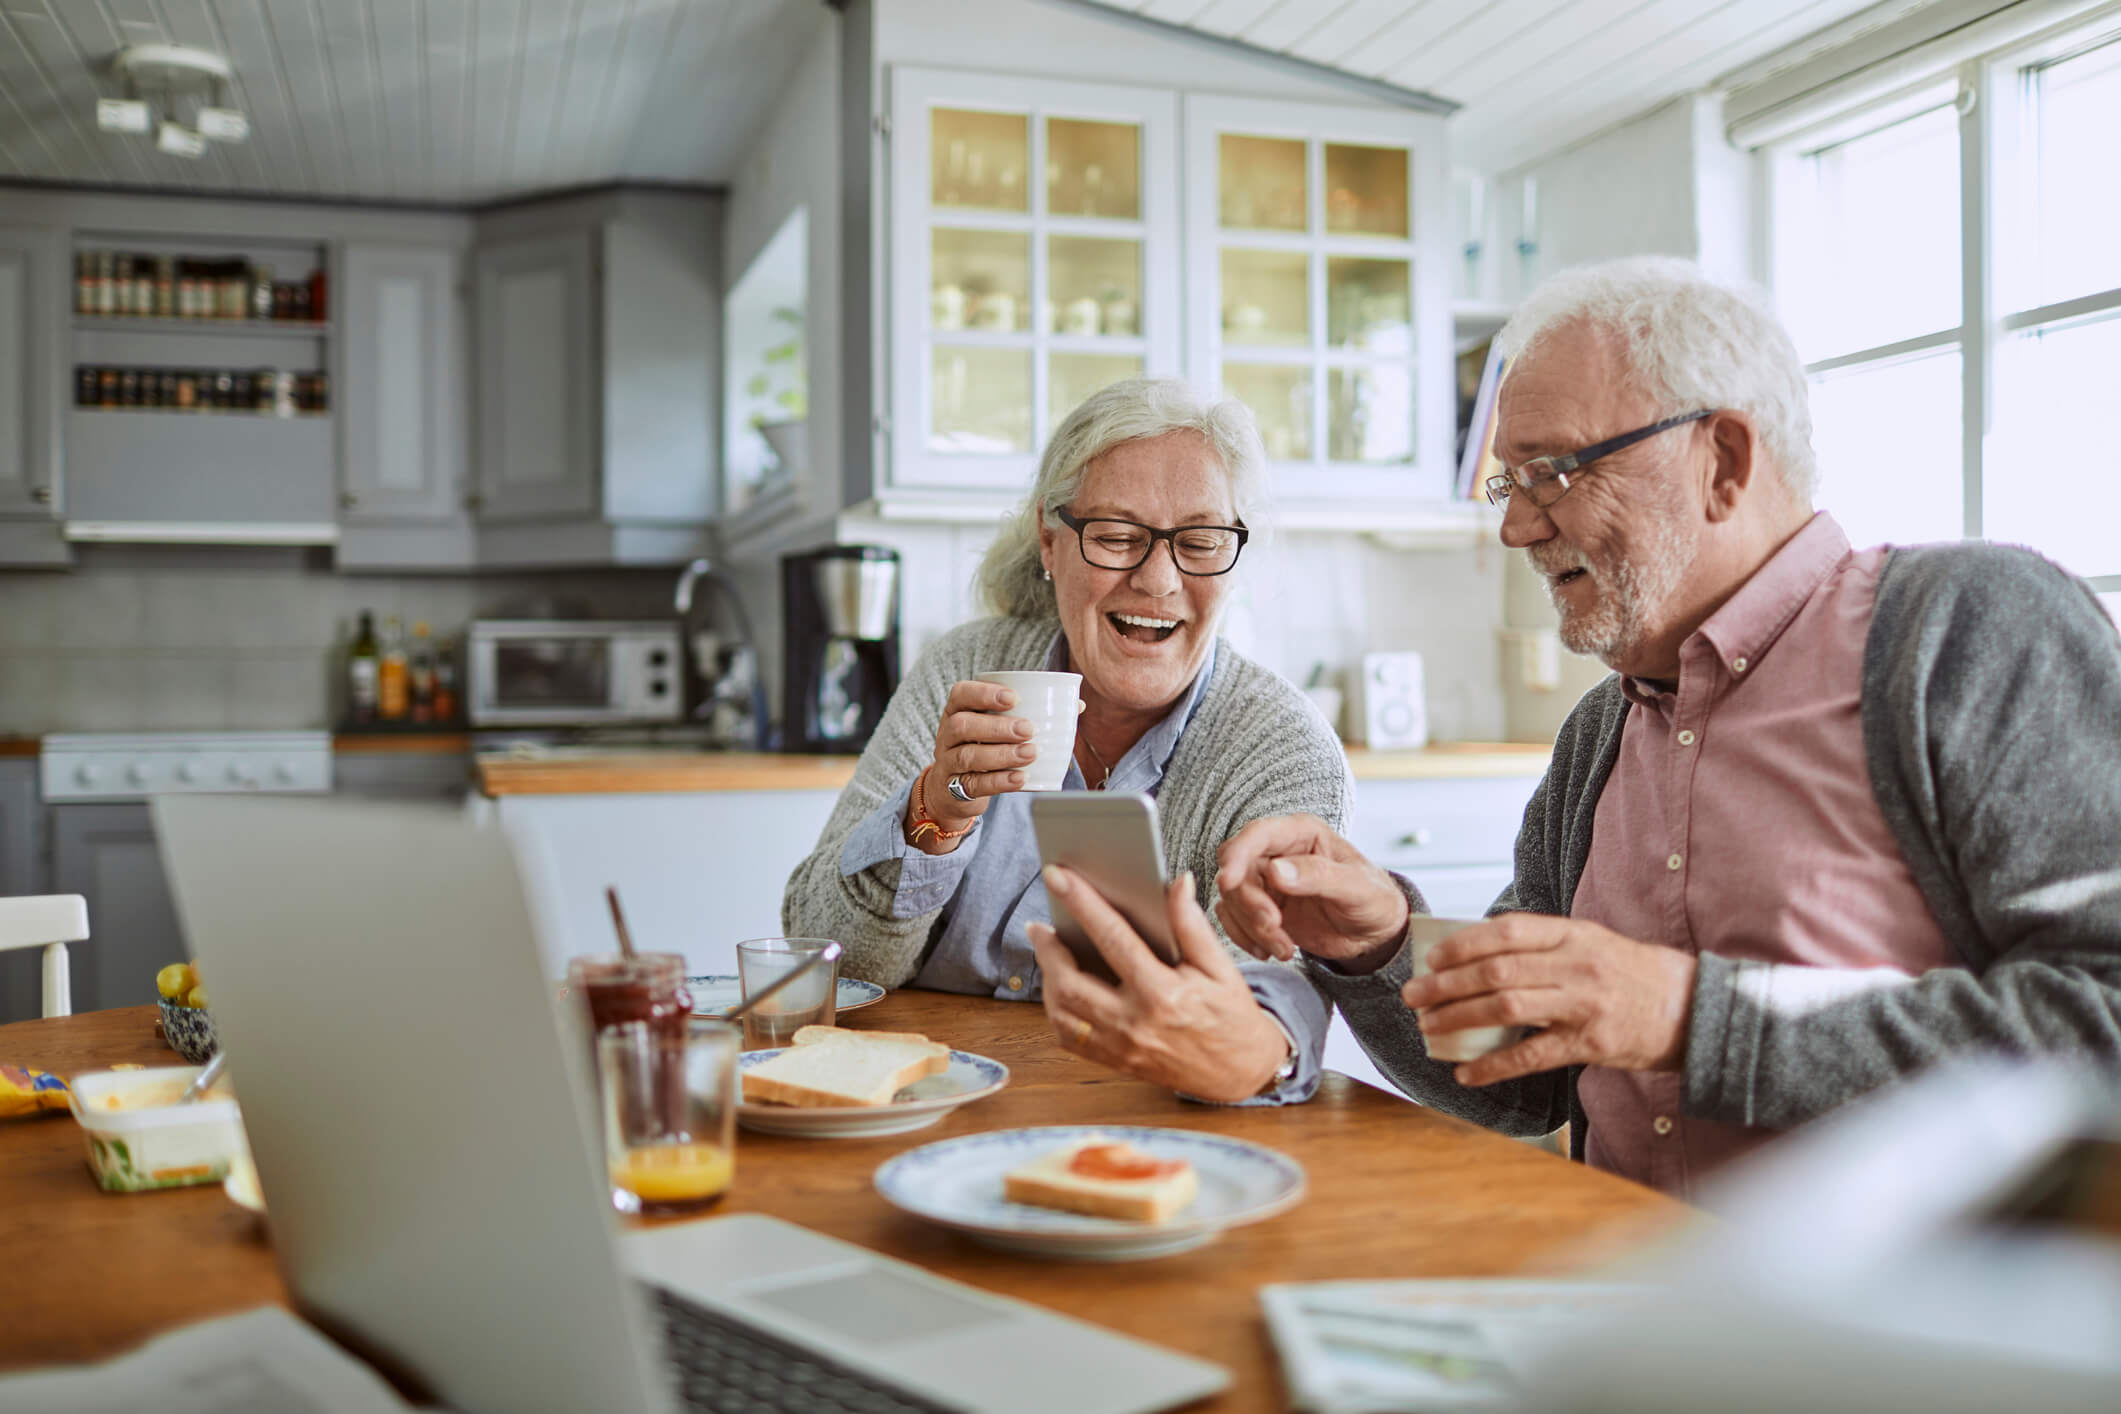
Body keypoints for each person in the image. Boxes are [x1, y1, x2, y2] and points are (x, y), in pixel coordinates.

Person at [1089, 257, 2121, 1198]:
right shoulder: (1599, 737)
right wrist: (1378, 944)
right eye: (1510, 479)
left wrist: (1686, 1016)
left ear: (1721, 459)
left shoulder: (1968, 629)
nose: (1514, 525)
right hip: (1622, 1310)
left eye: (1555, 471)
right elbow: (1523, 1082)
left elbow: (2103, 1025)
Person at [783, 378, 1350, 1105]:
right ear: (1051, 544)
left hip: (1138, 1123)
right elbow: (824, 960)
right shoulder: (965, 671)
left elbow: (1255, 1020)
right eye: (1116, 537)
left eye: (1201, 542)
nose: (1157, 580)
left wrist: (1255, 1040)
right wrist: (934, 814)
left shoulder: (1280, 749)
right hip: (917, 1101)